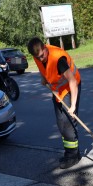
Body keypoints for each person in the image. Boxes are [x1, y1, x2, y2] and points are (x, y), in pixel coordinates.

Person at [27, 37, 82, 169]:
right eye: (37, 57)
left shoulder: (58, 59)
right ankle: (70, 152)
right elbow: (43, 68)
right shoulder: (37, 56)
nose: (40, 59)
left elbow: (72, 81)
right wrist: (43, 78)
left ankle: (73, 156)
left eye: (42, 55)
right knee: (61, 123)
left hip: (70, 88)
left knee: (68, 122)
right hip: (57, 91)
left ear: (45, 48)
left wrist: (73, 106)